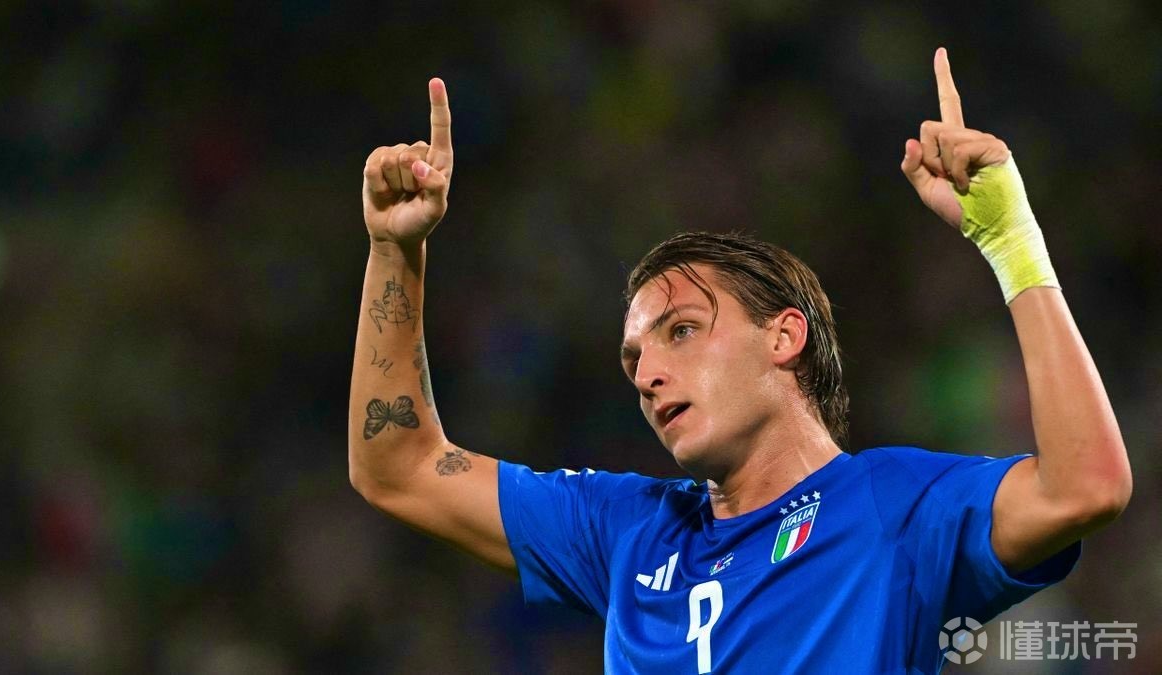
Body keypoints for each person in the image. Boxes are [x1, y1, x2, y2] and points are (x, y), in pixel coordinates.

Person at [348, 48, 1131, 673]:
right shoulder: (627, 533)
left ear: (784, 337)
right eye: (633, 357)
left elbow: (1086, 486)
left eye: (682, 330)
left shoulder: (892, 507)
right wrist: (393, 250)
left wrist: (1010, 242)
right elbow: (397, 465)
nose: (646, 374)